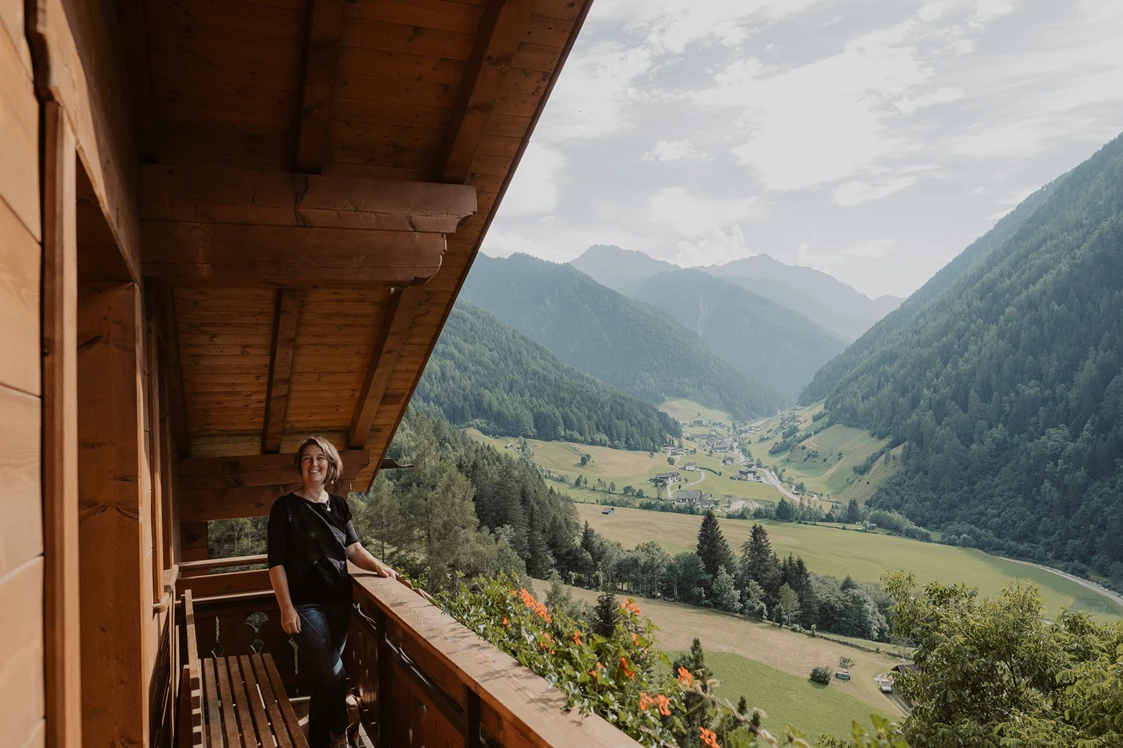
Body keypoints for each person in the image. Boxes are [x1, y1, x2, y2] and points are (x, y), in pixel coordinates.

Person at [267, 436, 395, 748]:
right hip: (305, 606)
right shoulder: (285, 508)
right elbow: (276, 564)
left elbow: (353, 549)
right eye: (308, 458)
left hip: (339, 602)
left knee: (323, 677)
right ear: (300, 466)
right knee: (335, 675)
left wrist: (378, 566)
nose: (314, 464)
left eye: (320, 458)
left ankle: (318, 741)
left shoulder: (338, 505)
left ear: (330, 465)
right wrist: (286, 608)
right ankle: (340, 736)